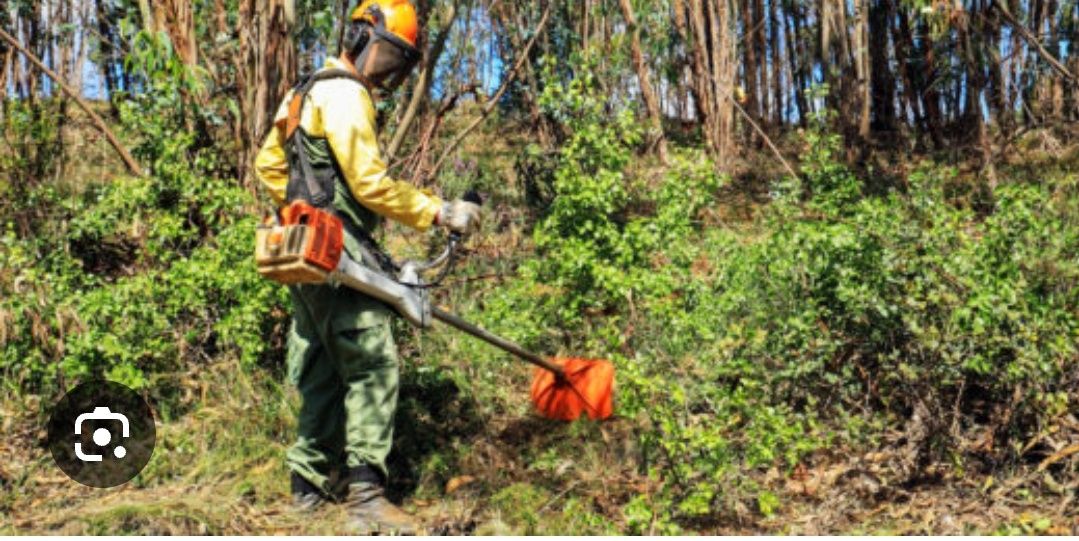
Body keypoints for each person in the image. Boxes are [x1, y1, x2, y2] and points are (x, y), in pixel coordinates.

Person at [253, 0, 481, 534]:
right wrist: (438, 210)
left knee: (320, 372)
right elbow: (370, 184)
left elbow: (268, 162)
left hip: (299, 247)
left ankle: (306, 494)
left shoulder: (303, 89)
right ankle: (366, 499)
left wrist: (295, 210)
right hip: (338, 249)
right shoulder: (347, 93)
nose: (387, 75)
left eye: (397, 66)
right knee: (372, 365)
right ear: (362, 40)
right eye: (388, 59)